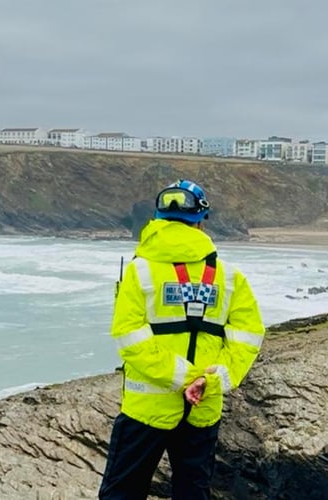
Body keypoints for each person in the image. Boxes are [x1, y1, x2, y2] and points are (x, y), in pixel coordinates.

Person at [99, 179, 266, 499]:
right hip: (203, 405)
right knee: (193, 491)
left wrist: (182, 378)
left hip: (147, 408)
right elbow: (248, 337)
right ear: (201, 221)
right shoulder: (229, 276)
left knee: (122, 492)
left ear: (157, 220)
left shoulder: (139, 271)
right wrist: (210, 380)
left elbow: (129, 337)